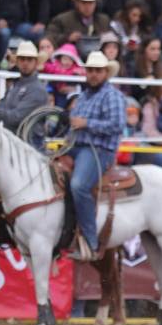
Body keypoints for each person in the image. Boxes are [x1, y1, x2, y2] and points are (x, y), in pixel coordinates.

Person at [65, 50, 126, 261]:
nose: (93, 74)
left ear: (106, 73)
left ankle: (91, 240)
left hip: (99, 150)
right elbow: (74, 125)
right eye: (90, 70)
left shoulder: (112, 95)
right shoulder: (83, 96)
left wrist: (87, 123)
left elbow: (117, 125)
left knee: (79, 185)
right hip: (77, 146)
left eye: (97, 71)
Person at [0, 39, 48, 132]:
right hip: (12, 138)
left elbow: (16, 118)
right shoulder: (16, 85)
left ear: (36, 63)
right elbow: (3, 108)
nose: (25, 63)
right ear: (17, 62)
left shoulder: (37, 90)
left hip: (27, 141)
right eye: (22, 59)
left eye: (29, 59)